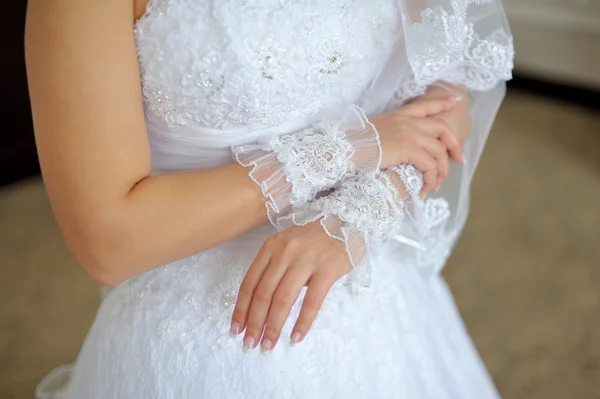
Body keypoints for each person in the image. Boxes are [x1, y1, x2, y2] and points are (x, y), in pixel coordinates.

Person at [26, 0, 514, 397]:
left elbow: (445, 86)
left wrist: (363, 209)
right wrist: (349, 148)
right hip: (214, 331)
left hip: (376, 287)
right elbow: (107, 241)